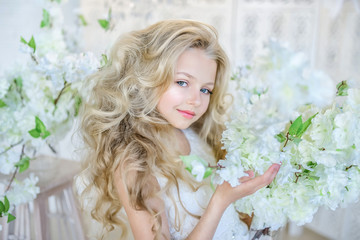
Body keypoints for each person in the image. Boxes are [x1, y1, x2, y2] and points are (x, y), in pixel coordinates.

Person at [76, 19, 280, 240]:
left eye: (205, 89)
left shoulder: (199, 136)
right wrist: (221, 200)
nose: (195, 100)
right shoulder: (134, 163)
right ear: (150, 78)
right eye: (182, 82)